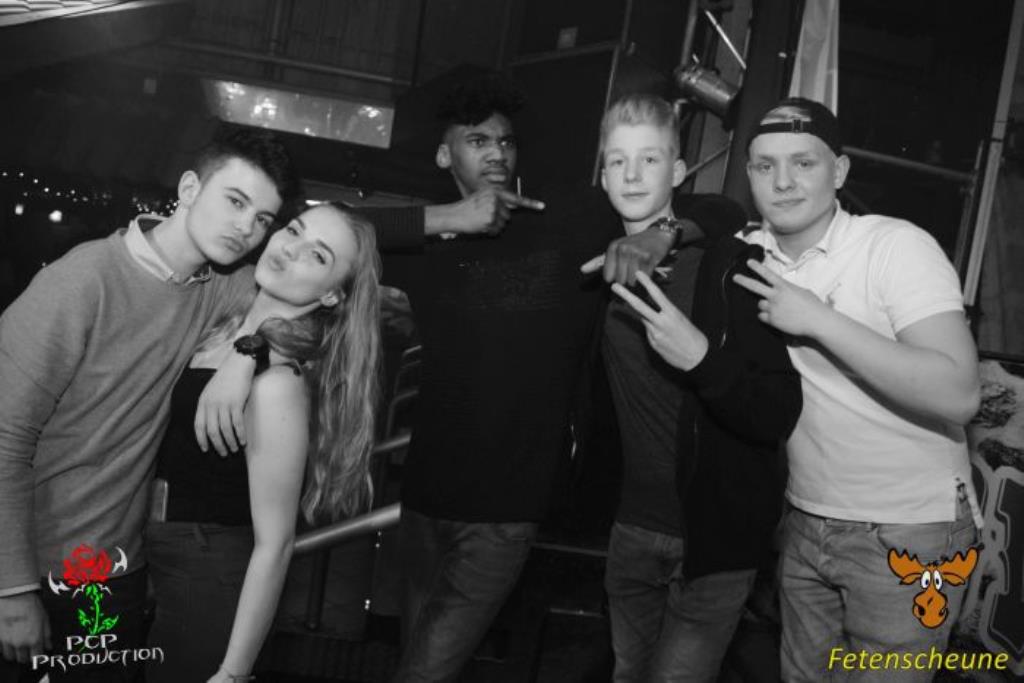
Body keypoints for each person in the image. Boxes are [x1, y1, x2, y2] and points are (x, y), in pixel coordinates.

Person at [375, 75, 743, 682]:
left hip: (506, 511)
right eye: (477, 141)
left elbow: (724, 210)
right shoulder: (426, 247)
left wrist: (663, 234)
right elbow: (323, 226)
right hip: (423, 500)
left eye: (506, 141)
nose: (497, 152)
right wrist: (446, 217)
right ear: (444, 156)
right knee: (415, 655)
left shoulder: (570, 217)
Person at [0, 128, 299, 682]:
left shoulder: (220, 286)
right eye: (235, 201)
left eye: (263, 218)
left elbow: (305, 296)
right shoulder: (81, 282)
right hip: (37, 567)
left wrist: (246, 353)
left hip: (116, 569)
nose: (246, 228)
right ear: (189, 189)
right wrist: (12, 589)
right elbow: (4, 437)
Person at [733, 97, 981, 682]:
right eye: (765, 166)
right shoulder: (751, 252)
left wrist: (819, 319)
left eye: (804, 163)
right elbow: (702, 217)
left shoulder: (894, 246)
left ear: (839, 171)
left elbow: (959, 392)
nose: (783, 181)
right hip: (805, 519)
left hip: (908, 531)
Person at [598, 94, 802, 681]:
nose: (632, 175)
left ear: (679, 171)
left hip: (713, 542)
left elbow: (777, 410)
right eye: (617, 161)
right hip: (631, 530)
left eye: (650, 159)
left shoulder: (729, 267)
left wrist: (700, 359)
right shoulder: (596, 264)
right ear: (602, 174)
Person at [144, 203, 381, 682]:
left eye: (317, 255)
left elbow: (275, 544)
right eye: (293, 230)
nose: (291, 249)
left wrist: (233, 672)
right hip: (158, 555)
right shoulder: (227, 327)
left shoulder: (276, 385)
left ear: (332, 294)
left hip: (207, 575)